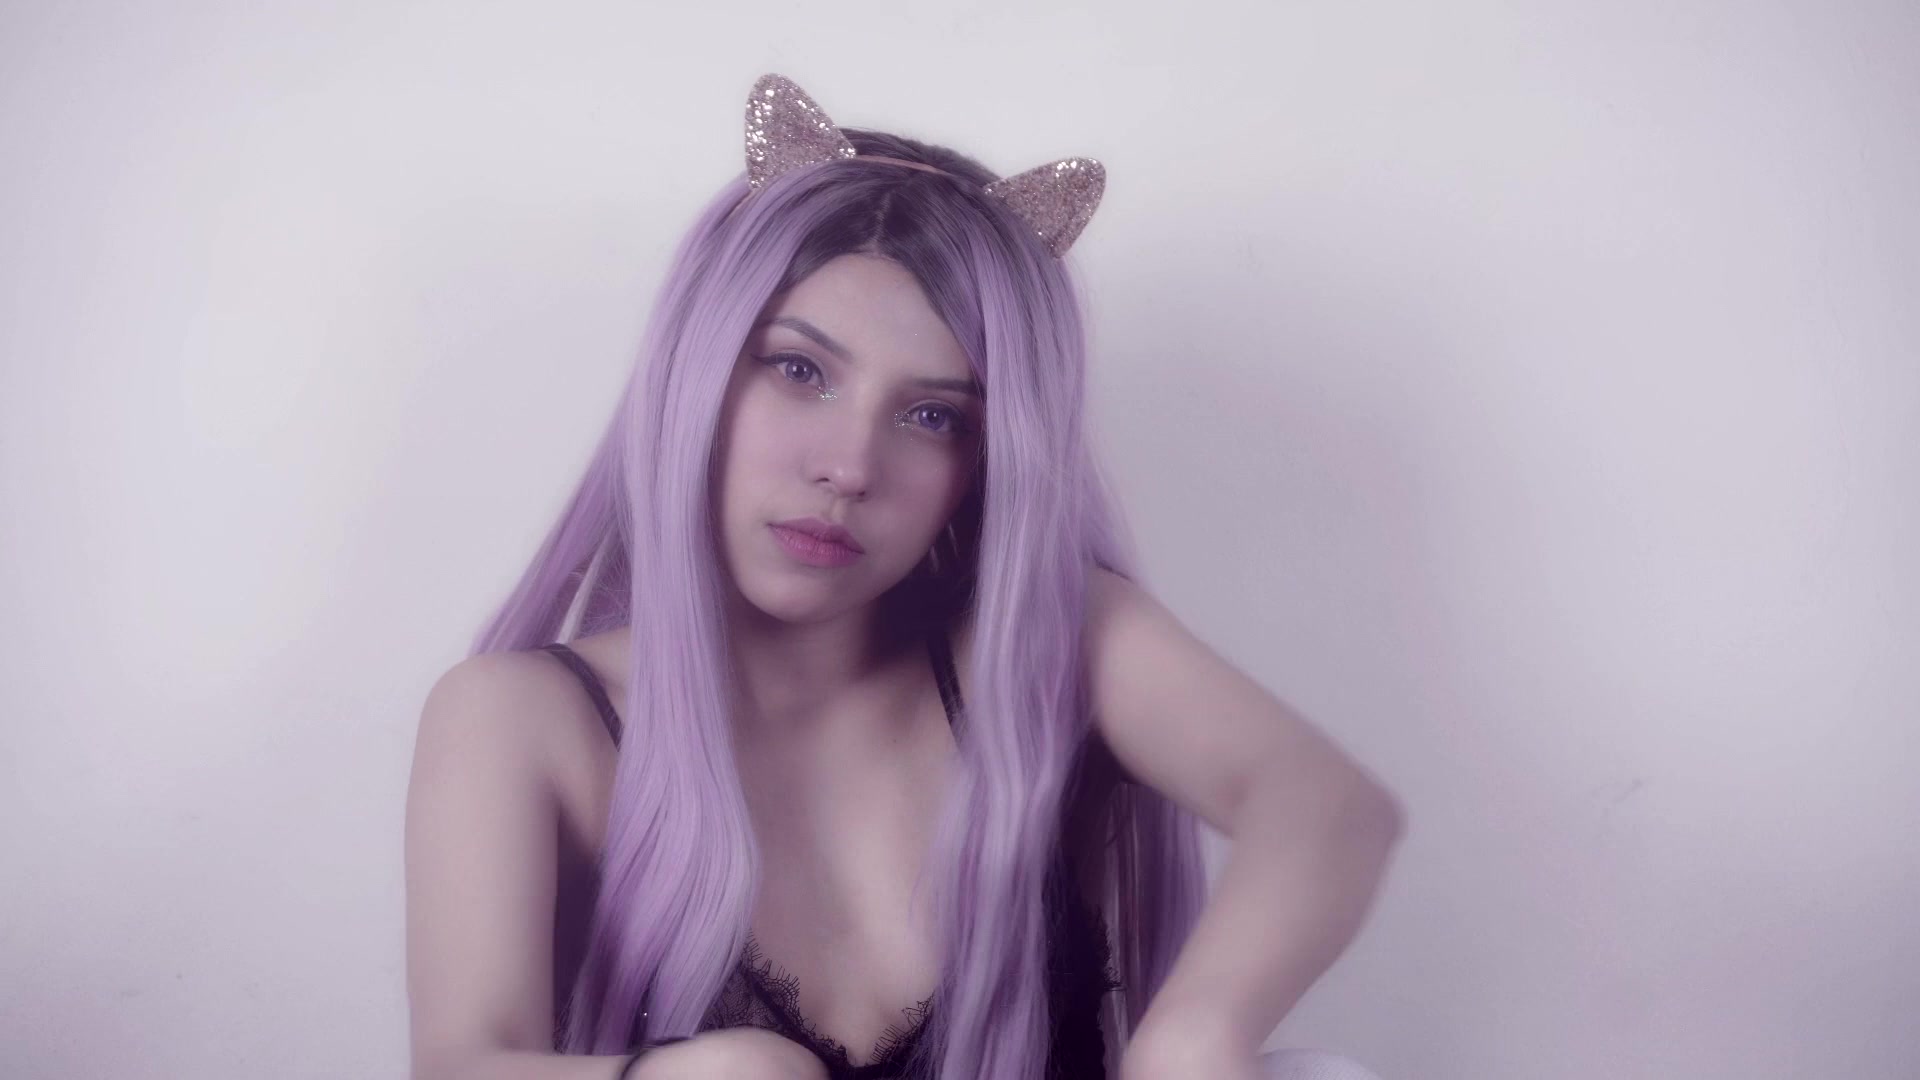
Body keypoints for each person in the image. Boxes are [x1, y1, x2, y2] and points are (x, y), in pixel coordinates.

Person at [404, 73, 1404, 1080]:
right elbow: (462, 1062)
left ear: (982, 464)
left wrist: (1197, 1033)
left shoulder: (1048, 647)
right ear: (696, 374)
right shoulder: (524, 716)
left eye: (932, 416)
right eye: (799, 370)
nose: (850, 467)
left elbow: (1325, 804)